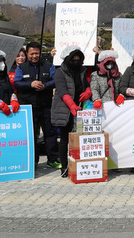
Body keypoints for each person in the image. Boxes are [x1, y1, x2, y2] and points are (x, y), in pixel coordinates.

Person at [13, 42, 59, 169]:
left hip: (46, 105)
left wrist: (45, 86)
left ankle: (53, 159)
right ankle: (33, 160)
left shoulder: (48, 66)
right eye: (32, 53)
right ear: (27, 54)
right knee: (32, 134)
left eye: (37, 53)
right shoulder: (21, 68)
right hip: (28, 107)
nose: (34, 56)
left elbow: (56, 80)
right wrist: (30, 84)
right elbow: (17, 83)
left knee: (50, 133)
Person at [52, 46, 87, 178]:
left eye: (78, 59)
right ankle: (64, 167)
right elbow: (62, 90)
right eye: (73, 59)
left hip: (80, 107)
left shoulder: (82, 70)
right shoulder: (60, 71)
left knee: (79, 137)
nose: (76, 62)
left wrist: (87, 92)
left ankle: (79, 164)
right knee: (64, 139)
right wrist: (72, 106)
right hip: (65, 109)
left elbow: (86, 85)